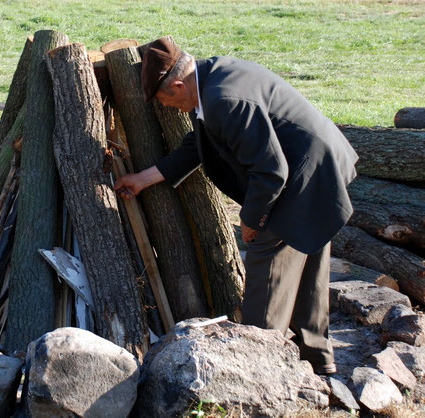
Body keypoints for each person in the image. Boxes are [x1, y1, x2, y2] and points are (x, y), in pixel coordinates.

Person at [114, 37, 358, 375]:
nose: (168, 108)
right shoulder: (214, 76)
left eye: (165, 100)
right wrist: (145, 178)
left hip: (302, 176)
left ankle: (260, 372)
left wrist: (251, 219)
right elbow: (198, 145)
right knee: (308, 265)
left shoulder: (222, 100)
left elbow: (271, 171)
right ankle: (319, 361)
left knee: (266, 268)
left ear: (179, 84)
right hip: (317, 167)